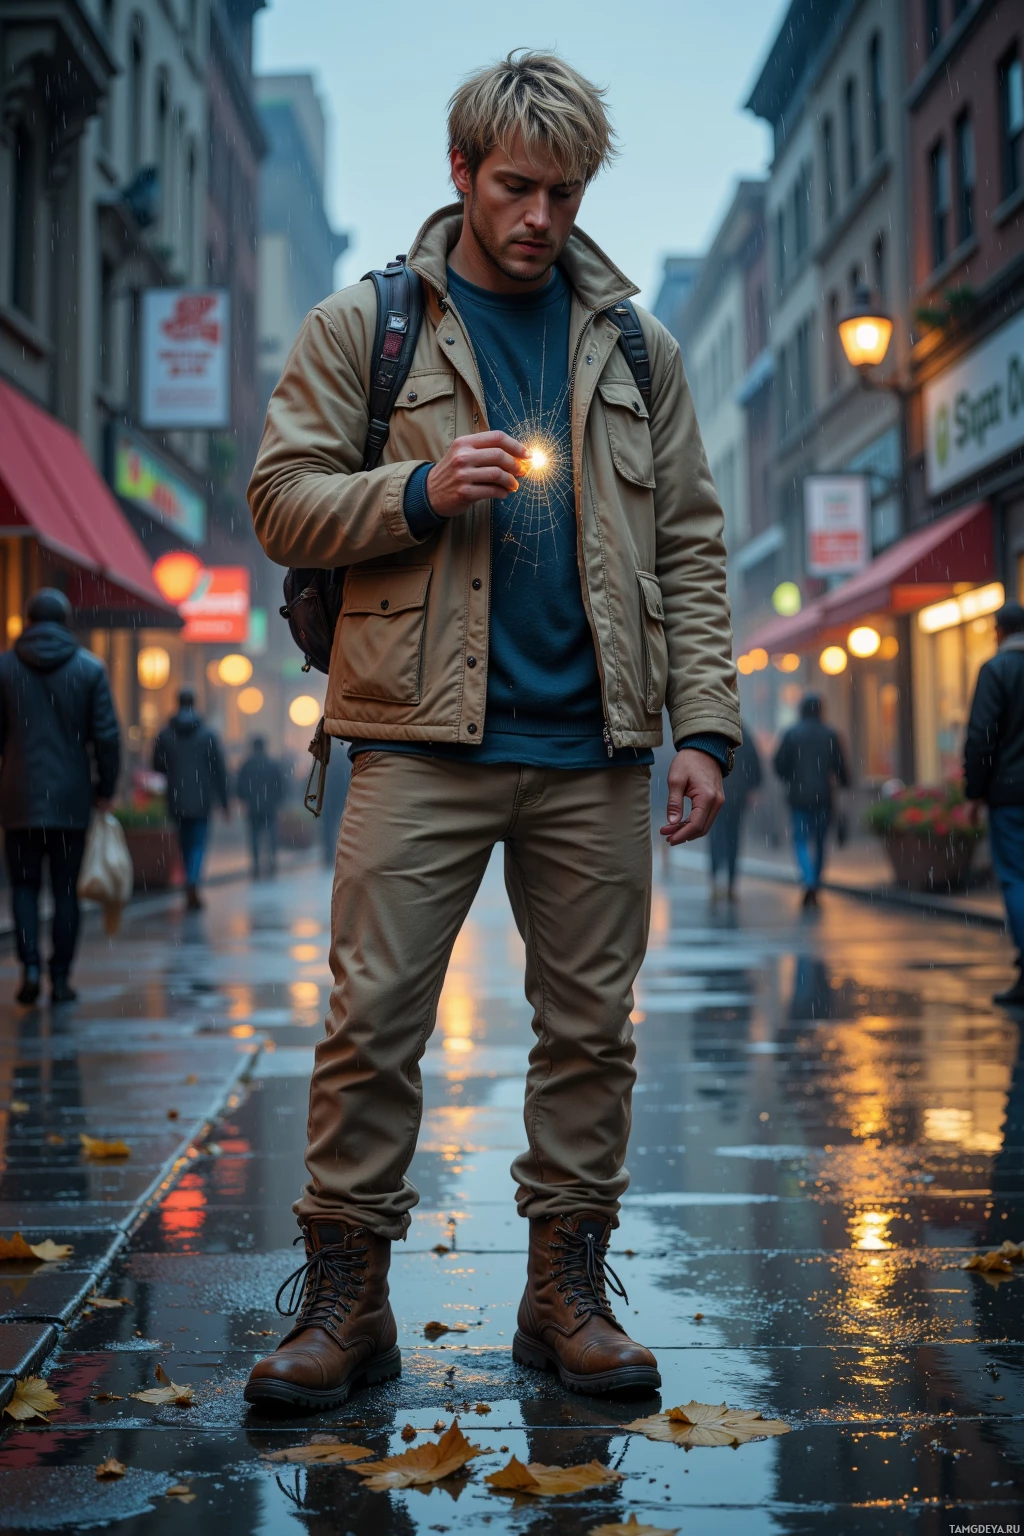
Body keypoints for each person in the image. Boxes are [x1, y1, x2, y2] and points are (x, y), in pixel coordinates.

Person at [245, 50, 740, 1412]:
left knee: (593, 1036)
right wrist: (413, 489)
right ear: (461, 172)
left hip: (596, 748)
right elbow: (280, 499)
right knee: (372, 1027)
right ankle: (346, 1310)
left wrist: (706, 728)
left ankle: (563, 1298)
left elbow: (691, 545)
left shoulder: (640, 348)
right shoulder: (373, 325)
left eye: (563, 192)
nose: (539, 215)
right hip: (415, 738)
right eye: (516, 186)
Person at [0, 589, 120, 1004]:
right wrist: (105, 788)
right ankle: (61, 977)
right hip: (71, 799)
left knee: (24, 886)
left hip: (17, 797)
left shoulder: (4, 667)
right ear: (67, 620)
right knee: (66, 890)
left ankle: (30, 965)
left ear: (28, 619)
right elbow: (106, 736)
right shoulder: (89, 669)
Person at [964, 600, 1024, 1006]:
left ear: (1000, 631)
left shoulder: (997, 670)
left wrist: (975, 791)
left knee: (1017, 877)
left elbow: (981, 735)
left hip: (1010, 794)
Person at [153, 689, 228, 910]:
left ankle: (189, 878)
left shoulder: (165, 734)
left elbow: (157, 766)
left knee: (183, 842)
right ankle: (193, 880)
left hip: (176, 798)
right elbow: (219, 770)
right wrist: (224, 802)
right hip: (202, 799)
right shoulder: (208, 735)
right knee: (198, 843)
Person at [773, 694, 849, 907]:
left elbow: (778, 764)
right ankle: (815, 880)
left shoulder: (791, 734)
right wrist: (843, 782)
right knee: (820, 841)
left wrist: (790, 778)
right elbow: (840, 765)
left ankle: (807, 879)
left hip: (798, 796)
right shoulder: (830, 734)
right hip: (824, 796)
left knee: (801, 840)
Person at [708, 720, 762, 900]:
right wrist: (753, 787)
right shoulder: (744, 734)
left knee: (716, 835)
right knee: (733, 837)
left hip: (716, 793)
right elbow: (755, 764)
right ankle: (731, 882)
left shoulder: (714, 732)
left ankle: (715, 879)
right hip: (737, 796)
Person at [235, 737, 286, 877]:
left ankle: (256, 865)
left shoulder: (247, 765)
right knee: (271, 835)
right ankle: (272, 863)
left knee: (254, 836)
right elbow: (280, 785)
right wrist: (277, 800)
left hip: (253, 807)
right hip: (269, 807)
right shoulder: (272, 764)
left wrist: (246, 799)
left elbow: (240, 786)